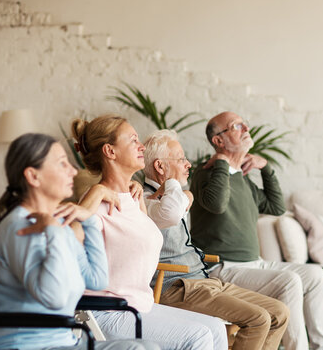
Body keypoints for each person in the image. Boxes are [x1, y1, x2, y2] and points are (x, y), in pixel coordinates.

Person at [0, 133, 159, 350]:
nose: (73, 171)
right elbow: (52, 297)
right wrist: (55, 233)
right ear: (33, 176)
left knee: (149, 347)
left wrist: (89, 223)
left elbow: (96, 280)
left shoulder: (56, 223)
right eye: (62, 164)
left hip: (66, 342)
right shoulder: (21, 226)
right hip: (28, 345)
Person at [71, 115, 227, 350]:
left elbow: (148, 233)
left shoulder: (133, 196)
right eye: (133, 140)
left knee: (215, 327)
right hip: (106, 311)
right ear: (110, 151)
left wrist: (138, 196)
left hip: (139, 304)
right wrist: (94, 193)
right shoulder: (96, 203)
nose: (141, 145)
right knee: (198, 337)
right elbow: (66, 247)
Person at [189, 111, 323, 350]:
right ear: (218, 140)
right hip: (221, 268)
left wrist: (265, 168)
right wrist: (222, 163)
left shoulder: (243, 180)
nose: (246, 128)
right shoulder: (204, 173)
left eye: (244, 124)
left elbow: (276, 207)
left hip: (254, 264)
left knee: (315, 275)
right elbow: (217, 203)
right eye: (237, 126)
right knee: (289, 282)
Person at [142, 129, 289, 350]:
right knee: (258, 319)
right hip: (177, 287)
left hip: (203, 281)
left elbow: (182, 202)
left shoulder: (175, 197)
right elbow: (170, 210)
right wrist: (180, 190)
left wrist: (186, 194)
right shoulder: (145, 199)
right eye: (181, 158)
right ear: (160, 166)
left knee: (279, 312)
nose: (188, 164)